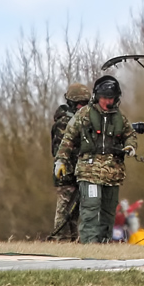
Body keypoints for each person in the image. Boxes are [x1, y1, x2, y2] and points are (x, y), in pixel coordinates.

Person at [54, 75, 137, 244]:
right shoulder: (84, 115)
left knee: (108, 211)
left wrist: (130, 147)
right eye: (104, 98)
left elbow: (130, 135)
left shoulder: (120, 118)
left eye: (111, 98)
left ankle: (104, 242)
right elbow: (68, 138)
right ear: (97, 97)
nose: (107, 101)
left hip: (113, 173)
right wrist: (60, 160)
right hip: (89, 171)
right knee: (90, 209)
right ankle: (89, 244)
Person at [49, 82, 90, 241]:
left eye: (85, 103)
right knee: (64, 208)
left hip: (77, 170)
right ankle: (61, 239)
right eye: (79, 103)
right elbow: (61, 149)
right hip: (65, 171)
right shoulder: (64, 122)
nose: (82, 106)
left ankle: (71, 240)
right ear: (72, 103)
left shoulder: (78, 119)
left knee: (73, 212)